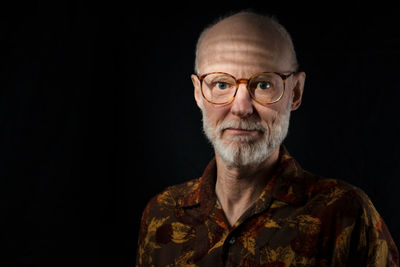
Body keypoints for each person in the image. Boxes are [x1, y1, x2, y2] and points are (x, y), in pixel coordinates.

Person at [136, 10, 399, 266]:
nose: (241, 107)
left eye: (263, 84)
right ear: (198, 93)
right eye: (221, 84)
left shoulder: (345, 215)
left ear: (295, 92)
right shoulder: (162, 215)